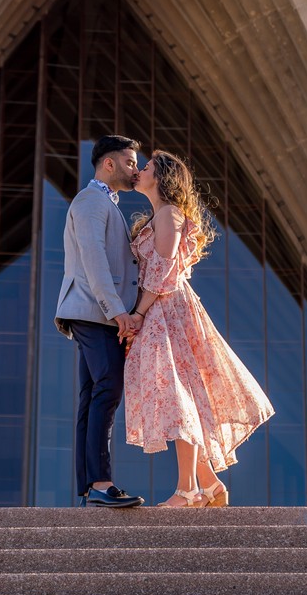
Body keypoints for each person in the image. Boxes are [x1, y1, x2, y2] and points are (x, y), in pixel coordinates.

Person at [124, 149, 275, 507]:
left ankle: (188, 488)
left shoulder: (170, 214)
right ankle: (208, 484)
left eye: (145, 167)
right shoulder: (160, 215)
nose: (139, 171)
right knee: (180, 393)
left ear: (161, 177)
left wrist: (139, 314)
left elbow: (163, 269)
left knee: (178, 396)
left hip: (166, 311)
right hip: (162, 311)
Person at [55, 135, 145, 508]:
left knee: (92, 396)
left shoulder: (104, 202)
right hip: (96, 313)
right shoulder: (92, 200)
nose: (135, 169)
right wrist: (117, 310)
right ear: (108, 164)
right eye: (129, 161)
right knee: (107, 389)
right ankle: (100, 482)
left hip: (94, 313)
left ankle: (91, 485)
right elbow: (93, 258)